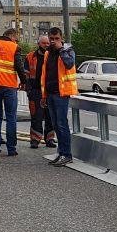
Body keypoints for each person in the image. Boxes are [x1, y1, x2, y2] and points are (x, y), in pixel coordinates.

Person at [34, 26, 78, 166]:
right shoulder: (48, 53)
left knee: (61, 124)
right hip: (50, 93)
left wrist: (61, 49)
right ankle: (61, 152)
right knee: (56, 125)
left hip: (61, 93)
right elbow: (45, 75)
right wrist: (44, 95)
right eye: (51, 39)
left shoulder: (67, 51)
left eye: (56, 39)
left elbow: (69, 64)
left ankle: (67, 154)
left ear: (62, 38)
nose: (53, 42)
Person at [0, 27, 27, 157]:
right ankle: (11, 149)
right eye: (16, 39)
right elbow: (19, 66)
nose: (16, 41)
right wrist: (24, 81)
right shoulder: (14, 47)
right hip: (9, 86)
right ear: (12, 36)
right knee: (11, 117)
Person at [24, 34, 57, 150]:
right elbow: (26, 74)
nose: (47, 45)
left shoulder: (54, 56)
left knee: (50, 116)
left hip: (50, 91)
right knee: (36, 116)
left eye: (48, 43)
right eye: (44, 43)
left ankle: (50, 138)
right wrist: (29, 90)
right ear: (38, 44)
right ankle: (35, 139)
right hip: (36, 91)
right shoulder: (30, 56)